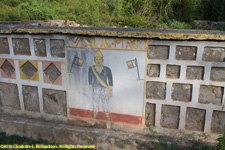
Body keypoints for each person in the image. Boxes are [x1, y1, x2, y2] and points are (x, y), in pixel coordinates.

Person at [88, 50, 113, 121]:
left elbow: (110, 77)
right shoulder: (91, 68)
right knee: (95, 101)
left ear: (102, 59)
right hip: (95, 87)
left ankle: (107, 114)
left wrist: (110, 86)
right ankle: (95, 113)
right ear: (94, 60)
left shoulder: (107, 69)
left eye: (100, 59)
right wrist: (90, 84)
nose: (98, 60)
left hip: (104, 88)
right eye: (96, 59)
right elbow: (89, 76)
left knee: (105, 101)